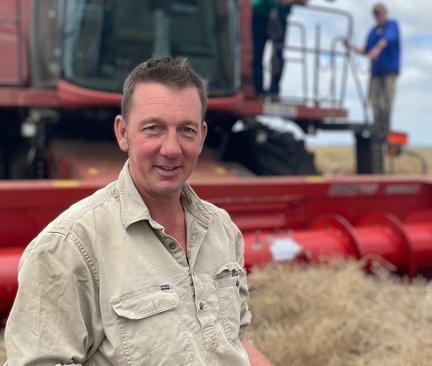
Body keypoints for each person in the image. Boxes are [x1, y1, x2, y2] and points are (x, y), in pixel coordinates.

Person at [4, 57, 252, 365]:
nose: (172, 148)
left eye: (186, 130)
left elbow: (236, 340)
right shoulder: (68, 247)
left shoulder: (222, 229)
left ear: (201, 137)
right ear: (123, 133)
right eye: (154, 128)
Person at [345, 3, 400, 142]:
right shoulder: (373, 31)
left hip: (389, 72)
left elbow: (386, 40)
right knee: (374, 102)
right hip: (375, 72)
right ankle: (378, 129)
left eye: (380, 13)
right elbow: (365, 50)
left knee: (386, 102)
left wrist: (377, 49)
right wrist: (350, 46)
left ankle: (386, 130)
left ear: (385, 13)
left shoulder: (392, 25)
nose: (378, 16)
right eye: (376, 14)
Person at [252, 0, 307, 99]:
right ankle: (259, 91)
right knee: (257, 54)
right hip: (260, 14)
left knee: (278, 55)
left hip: (280, 18)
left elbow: (304, 2)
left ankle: (274, 91)